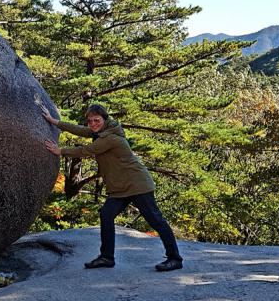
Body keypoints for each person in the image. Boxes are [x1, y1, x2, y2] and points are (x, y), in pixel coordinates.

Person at [40, 104, 183, 272]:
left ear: (104, 119)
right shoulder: (100, 131)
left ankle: (175, 258)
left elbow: (87, 150)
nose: (93, 124)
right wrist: (53, 121)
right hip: (119, 187)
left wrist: (60, 151)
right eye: (90, 120)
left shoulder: (111, 138)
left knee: (155, 220)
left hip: (137, 184)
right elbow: (79, 130)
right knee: (106, 215)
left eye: (97, 120)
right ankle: (107, 257)